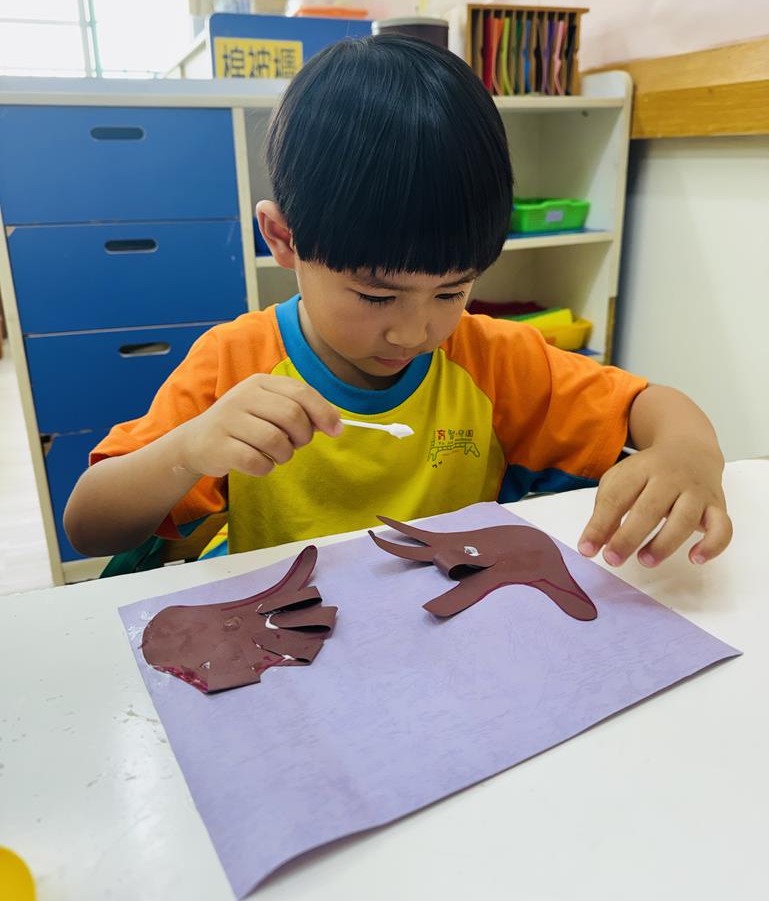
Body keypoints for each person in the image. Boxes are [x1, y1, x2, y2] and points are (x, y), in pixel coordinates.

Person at [64, 35, 732, 572]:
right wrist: (190, 449)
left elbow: (649, 404)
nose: (416, 330)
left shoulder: (492, 360)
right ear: (283, 239)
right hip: (288, 642)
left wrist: (688, 452)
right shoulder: (234, 363)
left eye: (453, 289)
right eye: (376, 294)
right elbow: (90, 525)